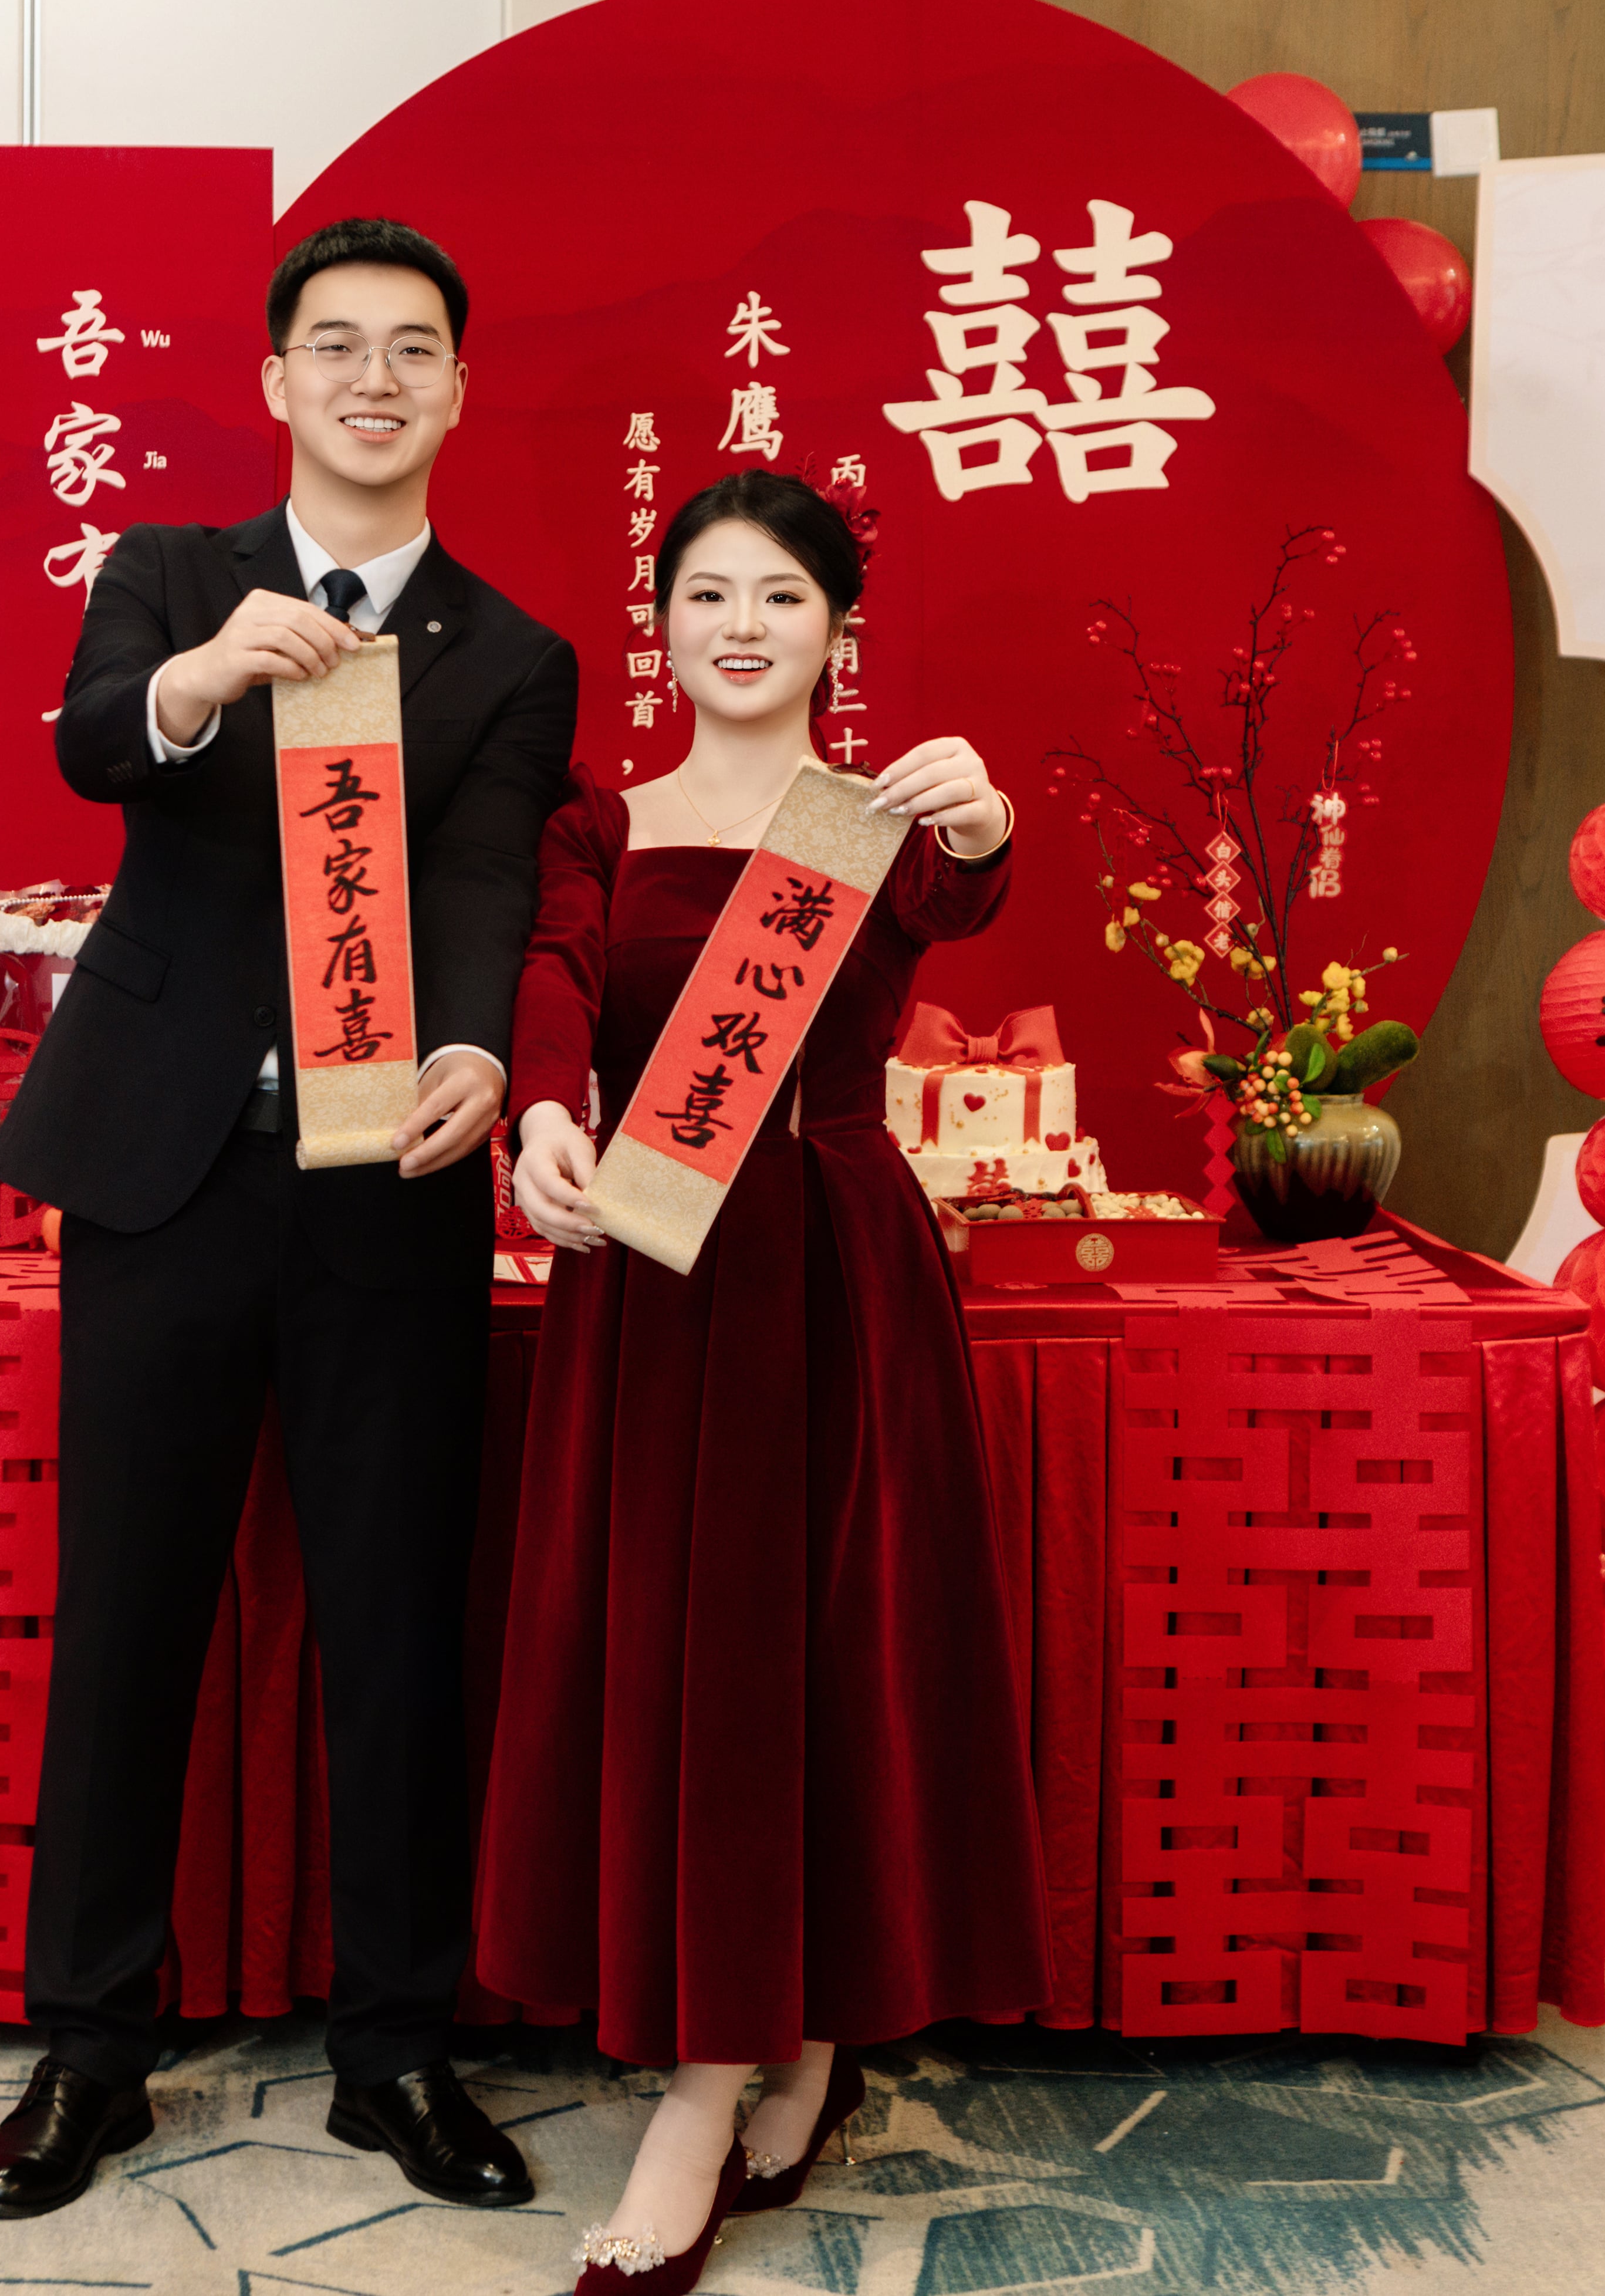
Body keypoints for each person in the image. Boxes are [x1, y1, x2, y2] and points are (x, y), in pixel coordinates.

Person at [0, 218, 577, 2220]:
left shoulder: (511, 655)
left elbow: (486, 881)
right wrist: (199, 679)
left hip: (382, 1185)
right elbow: (87, 743)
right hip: (164, 1169)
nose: (372, 378)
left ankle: (394, 2051)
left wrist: (472, 1048)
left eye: (411, 348)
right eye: (336, 345)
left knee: (395, 1622)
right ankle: (90, 2049)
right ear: (277, 381)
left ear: (458, 389)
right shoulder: (169, 575)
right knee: (128, 1614)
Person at [486, 470, 1053, 2292]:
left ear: (836, 630)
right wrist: (543, 1112)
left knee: (813, 1652)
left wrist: (985, 816)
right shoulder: (599, 818)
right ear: (658, 622)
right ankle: (758, 2044)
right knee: (697, 1661)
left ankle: (728, 2072)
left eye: (781, 597)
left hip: (831, 1272)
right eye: (707, 594)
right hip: (657, 1272)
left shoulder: (874, 820)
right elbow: (553, 977)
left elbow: (969, 885)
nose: (741, 626)